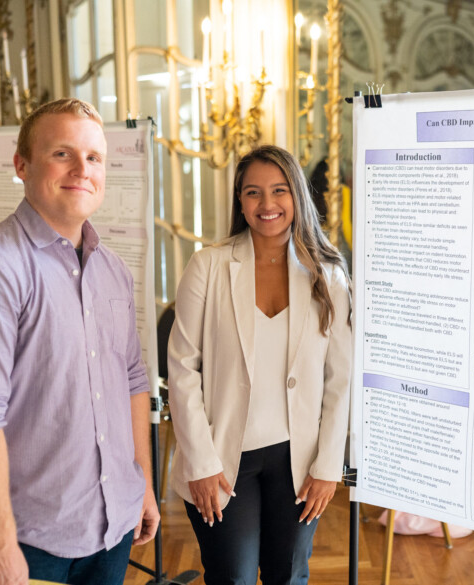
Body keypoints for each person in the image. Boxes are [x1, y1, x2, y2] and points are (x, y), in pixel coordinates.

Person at [0, 98, 160, 585]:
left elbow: (132, 380)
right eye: (62, 154)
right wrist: (0, 546)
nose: (81, 169)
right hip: (30, 540)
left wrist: (143, 484)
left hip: (113, 525)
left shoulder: (113, 271)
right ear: (21, 165)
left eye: (93, 157)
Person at [168, 145, 352, 585]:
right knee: (231, 577)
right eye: (253, 192)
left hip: (300, 460)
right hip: (223, 458)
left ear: (297, 197)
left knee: (289, 577)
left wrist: (329, 467)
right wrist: (200, 462)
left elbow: (340, 380)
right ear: (239, 200)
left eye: (279, 191)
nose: (267, 204)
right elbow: (181, 368)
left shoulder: (329, 275)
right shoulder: (207, 266)